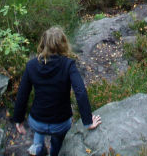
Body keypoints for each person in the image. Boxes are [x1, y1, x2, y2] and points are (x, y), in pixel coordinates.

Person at [12, 26, 101, 156]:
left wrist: (18, 120)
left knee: (39, 129)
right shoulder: (68, 65)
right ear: (63, 44)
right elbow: (80, 92)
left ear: (43, 43)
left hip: (37, 121)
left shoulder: (31, 65)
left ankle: (38, 147)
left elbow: (22, 94)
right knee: (57, 141)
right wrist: (87, 121)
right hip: (60, 123)